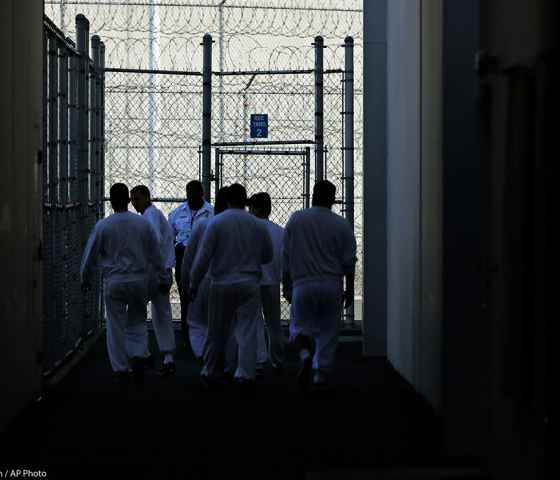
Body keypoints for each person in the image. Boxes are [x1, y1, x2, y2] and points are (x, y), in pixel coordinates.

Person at [80, 183, 167, 385]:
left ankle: (120, 368)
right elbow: (155, 254)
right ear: (128, 200)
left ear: (111, 201)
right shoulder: (142, 224)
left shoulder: (104, 225)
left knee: (115, 324)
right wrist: (163, 277)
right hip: (139, 280)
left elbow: (90, 254)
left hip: (115, 280)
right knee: (137, 320)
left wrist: (85, 278)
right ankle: (138, 354)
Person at [189, 183, 273, 392]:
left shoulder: (216, 223)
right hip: (249, 283)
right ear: (245, 201)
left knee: (216, 330)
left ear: (227, 200)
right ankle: (245, 373)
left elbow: (203, 257)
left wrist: (194, 282)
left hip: (221, 283)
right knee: (247, 329)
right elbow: (267, 255)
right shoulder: (257, 224)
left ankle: (210, 370)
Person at [282, 180, 357, 391]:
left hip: (302, 283)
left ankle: (305, 355)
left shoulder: (297, 219)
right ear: (332, 199)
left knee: (299, 326)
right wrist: (349, 289)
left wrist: (286, 283)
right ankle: (319, 372)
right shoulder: (340, 224)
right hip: (331, 283)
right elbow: (349, 261)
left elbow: (286, 254)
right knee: (328, 330)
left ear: (313, 195)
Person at [130, 185, 176, 376]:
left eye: (137, 198)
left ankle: (142, 353)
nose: (133, 202)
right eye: (132, 199)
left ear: (147, 198)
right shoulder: (152, 215)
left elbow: (153, 241)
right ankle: (166, 356)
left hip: (154, 270)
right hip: (160, 269)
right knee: (161, 312)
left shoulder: (150, 216)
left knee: (139, 311)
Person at [181, 186, 230, 365]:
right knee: (223, 323)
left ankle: (202, 355)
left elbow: (190, 257)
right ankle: (221, 359)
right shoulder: (239, 225)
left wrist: (187, 282)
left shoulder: (203, 224)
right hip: (227, 280)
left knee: (196, 321)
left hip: (203, 280)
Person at [168, 180, 214, 347]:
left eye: (197, 193)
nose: (193, 196)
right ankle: (187, 331)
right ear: (186, 194)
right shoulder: (177, 213)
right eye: (190, 193)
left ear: (202, 194)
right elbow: (170, 236)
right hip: (183, 255)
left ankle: (205, 331)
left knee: (204, 292)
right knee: (185, 293)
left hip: (203, 256)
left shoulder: (211, 212)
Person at [247, 192, 286, 377]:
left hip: (254, 281)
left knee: (255, 320)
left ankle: (259, 360)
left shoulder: (250, 229)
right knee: (274, 323)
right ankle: (277, 359)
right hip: (272, 281)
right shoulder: (279, 231)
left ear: (256, 208)